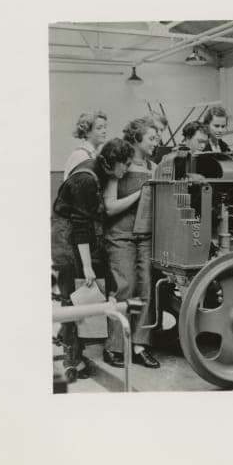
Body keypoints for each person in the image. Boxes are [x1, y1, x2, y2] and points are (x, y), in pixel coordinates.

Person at [51, 137, 133, 380]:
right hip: (67, 241)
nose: (127, 169)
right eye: (126, 164)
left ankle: (72, 347)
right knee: (73, 298)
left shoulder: (97, 170)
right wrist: (87, 265)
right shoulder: (87, 179)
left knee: (78, 296)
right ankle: (72, 360)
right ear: (114, 162)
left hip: (76, 238)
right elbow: (80, 225)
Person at [101, 118, 162, 369]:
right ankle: (114, 346)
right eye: (151, 138)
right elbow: (109, 207)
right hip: (120, 236)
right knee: (124, 287)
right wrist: (141, 193)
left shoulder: (154, 167)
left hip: (146, 236)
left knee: (147, 288)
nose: (156, 142)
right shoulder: (120, 166)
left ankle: (140, 346)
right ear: (136, 139)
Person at [63, 111, 109, 179]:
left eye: (105, 127)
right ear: (87, 132)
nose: (104, 131)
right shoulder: (80, 155)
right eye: (99, 128)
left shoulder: (96, 154)